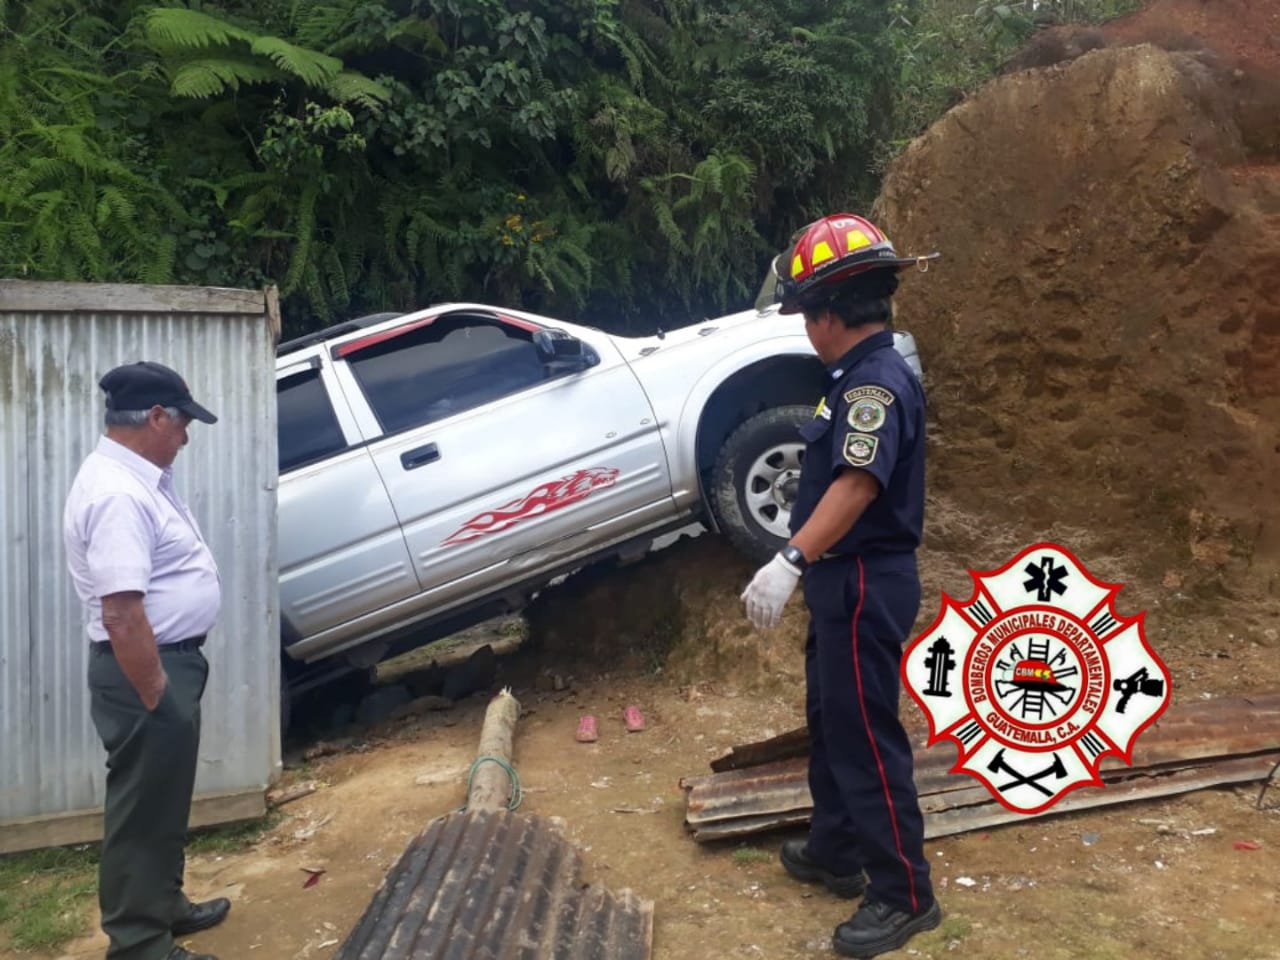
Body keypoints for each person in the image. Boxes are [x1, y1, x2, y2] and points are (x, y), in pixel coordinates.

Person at [740, 214, 942, 958]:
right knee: (831, 721)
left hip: (862, 580)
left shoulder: (874, 388)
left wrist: (788, 559)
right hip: (843, 584)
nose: (806, 329)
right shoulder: (853, 379)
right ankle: (837, 847)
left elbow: (858, 484)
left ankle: (904, 893)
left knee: (864, 738)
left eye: (806, 316)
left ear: (829, 314)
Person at [63, 362, 230, 960]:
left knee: (162, 800)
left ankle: (163, 906)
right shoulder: (116, 493)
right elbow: (121, 614)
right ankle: (139, 946)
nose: (186, 436)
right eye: (182, 423)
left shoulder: (141, 478)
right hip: (144, 672)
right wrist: (157, 690)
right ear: (156, 417)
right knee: (141, 812)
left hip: (163, 667)